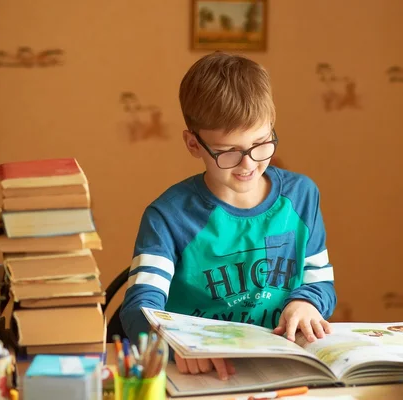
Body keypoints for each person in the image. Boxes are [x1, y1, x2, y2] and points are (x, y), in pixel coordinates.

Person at [120, 52, 337, 380]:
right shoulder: (168, 216)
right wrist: (173, 343)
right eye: (229, 152)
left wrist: (307, 303)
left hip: (281, 369)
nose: (248, 164)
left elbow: (319, 281)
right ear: (194, 145)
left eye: (261, 143)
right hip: (202, 374)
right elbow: (139, 305)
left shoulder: (301, 196)